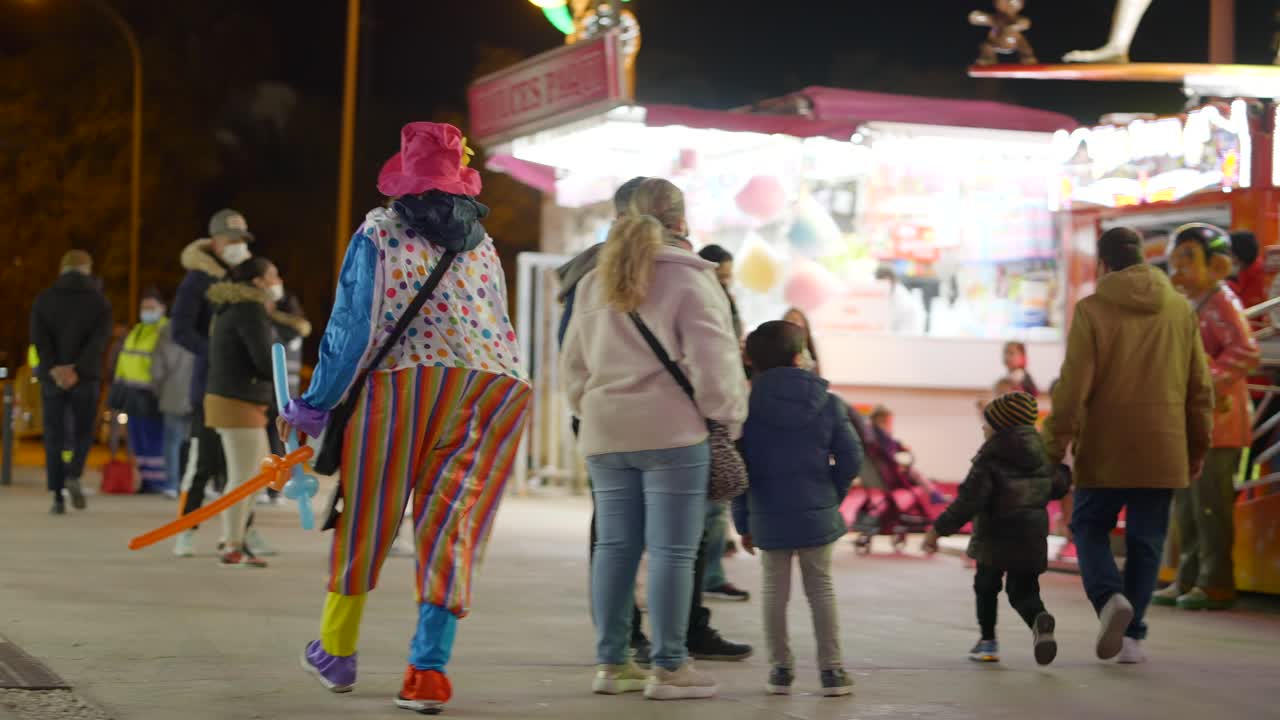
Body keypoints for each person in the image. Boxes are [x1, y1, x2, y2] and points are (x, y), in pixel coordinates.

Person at [282, 122, 532, 715]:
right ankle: (428, 672)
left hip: (404, 383)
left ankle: (337, 653)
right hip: (490, 389)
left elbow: (353, 326)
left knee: (367, 514)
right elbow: (498, 322)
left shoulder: (380, 232)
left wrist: (315, 402)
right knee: (454, 523)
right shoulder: (483, 244)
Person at [562, 177, 748, 700]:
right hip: (673, 434)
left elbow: (573, 367)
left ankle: (613, 664)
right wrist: (725, 419)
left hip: (605, 433)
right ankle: (669, 668)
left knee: (614, 549)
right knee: (672, 552)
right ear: (680, 222)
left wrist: (591, 410)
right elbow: (716, 364)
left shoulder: (592, 281)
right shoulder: (690, 279)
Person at [1044, 226, 1213, 665]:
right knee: (1147, 540)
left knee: (1088, 525)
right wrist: (1197, 448)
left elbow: (1072, 388)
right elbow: (1200, 388)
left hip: (1106, 445)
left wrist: (1052, 447)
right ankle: (1132, 638)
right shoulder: (1180, 309)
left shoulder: (1092, 310)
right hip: (1164, 446)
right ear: (1143, 259)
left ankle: (1108, 599)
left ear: (1103, 264)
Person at [733, 320, 861, 697]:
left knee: (774, 591)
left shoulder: (745, 408)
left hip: (767, 514)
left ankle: (780, 671)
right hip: (816, 510)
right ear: (798, 357)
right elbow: (852, 458)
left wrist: (743, 521)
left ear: (753, 362)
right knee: (821, 589)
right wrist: (830, 494)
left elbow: (739, 471)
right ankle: (832, 671)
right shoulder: (829, 403)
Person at [1152, 224, 1259, 611]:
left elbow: (1245, 352)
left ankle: (1215, 581)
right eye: (1175, 260)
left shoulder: (1221, 303)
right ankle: (1188, 575)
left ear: (1216, 265)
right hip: (1191, 421)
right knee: (1187, 505)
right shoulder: (1192, 304)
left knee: (1210, 504)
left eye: (1187, 259)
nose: (1177, 269)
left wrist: (1206, 378)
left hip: (1219, 422)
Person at [924, 392, 1070, 666]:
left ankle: (988, 642)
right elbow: (1058, 486)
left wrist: (937, 530)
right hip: (1031, 536)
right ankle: (1039, 619)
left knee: (986, 586)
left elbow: (968, 501)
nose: (983, 427)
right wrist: (1062, 473)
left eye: (987, 422)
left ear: (1001, 426)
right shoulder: (1041, 454)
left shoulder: (989, 458)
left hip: (994, 537)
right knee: (1023, 591)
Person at [171, 209, 271, 557]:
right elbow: (180, 330)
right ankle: (186, 529)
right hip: (209, 386)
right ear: (215, 242)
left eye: (243, 240)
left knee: (243, 467)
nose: (238, 245)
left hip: (241, 389)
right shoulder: (197, 280)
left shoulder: (243, 277)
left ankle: (243, 531)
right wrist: (217, 352)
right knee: (202, 463)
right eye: (232, 239)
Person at [203, 257, 283, 568]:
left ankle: (237, 538)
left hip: (239, 398)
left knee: (256, 474)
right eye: (273, 275)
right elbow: (263, 358)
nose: (277, 280)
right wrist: (280, 379)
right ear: (257, 281)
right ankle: (231, 543)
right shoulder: (249, 309)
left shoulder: (236, 308)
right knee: (242, 475)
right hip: (236, 400)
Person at [30, 250, 111, 514]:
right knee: (84, 431)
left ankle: (57, 496)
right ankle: (74, 473)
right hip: (85, 378)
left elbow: (39, 338)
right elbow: (99, 340)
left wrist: (54, 367)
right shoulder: (99, 302)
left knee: (54, 435)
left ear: (62, 269)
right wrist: (78, 369)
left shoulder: (44, 299)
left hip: (52, 379)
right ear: (87, 269)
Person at [696, 244, 748, 603]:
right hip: (706, 414)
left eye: (729, 277)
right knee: (711, 505)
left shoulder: (723, 302)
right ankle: (705, 577)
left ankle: (710, 574)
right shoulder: (698, 300)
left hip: (721, 413)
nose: (726, 283)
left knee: (717, 502)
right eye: (722, 276)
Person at [107, 288, 169, 494]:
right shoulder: (137, 330)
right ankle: (146, 480)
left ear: (162, 309)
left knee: (154, 439)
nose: (147, 311)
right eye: (144, 307)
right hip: (132, 394)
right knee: (138, 440)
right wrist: (118, 388)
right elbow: (124, 361)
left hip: (153, 395)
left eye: (152, 307)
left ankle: (158, 482)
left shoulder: (165, 331)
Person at [151, 304, 196, 499]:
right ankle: (191, 483)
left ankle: (171, 484)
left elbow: (157, 368)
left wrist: (159, 391)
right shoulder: (201, 329)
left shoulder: (166, 333)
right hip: (197, 394)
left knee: (172, 442)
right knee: (194, 441)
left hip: (172, 393)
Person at [782, 308, 821, 378]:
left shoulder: (810, 359)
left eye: (796, 320)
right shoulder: (778, 357)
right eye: (790, 319)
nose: (794, 322)